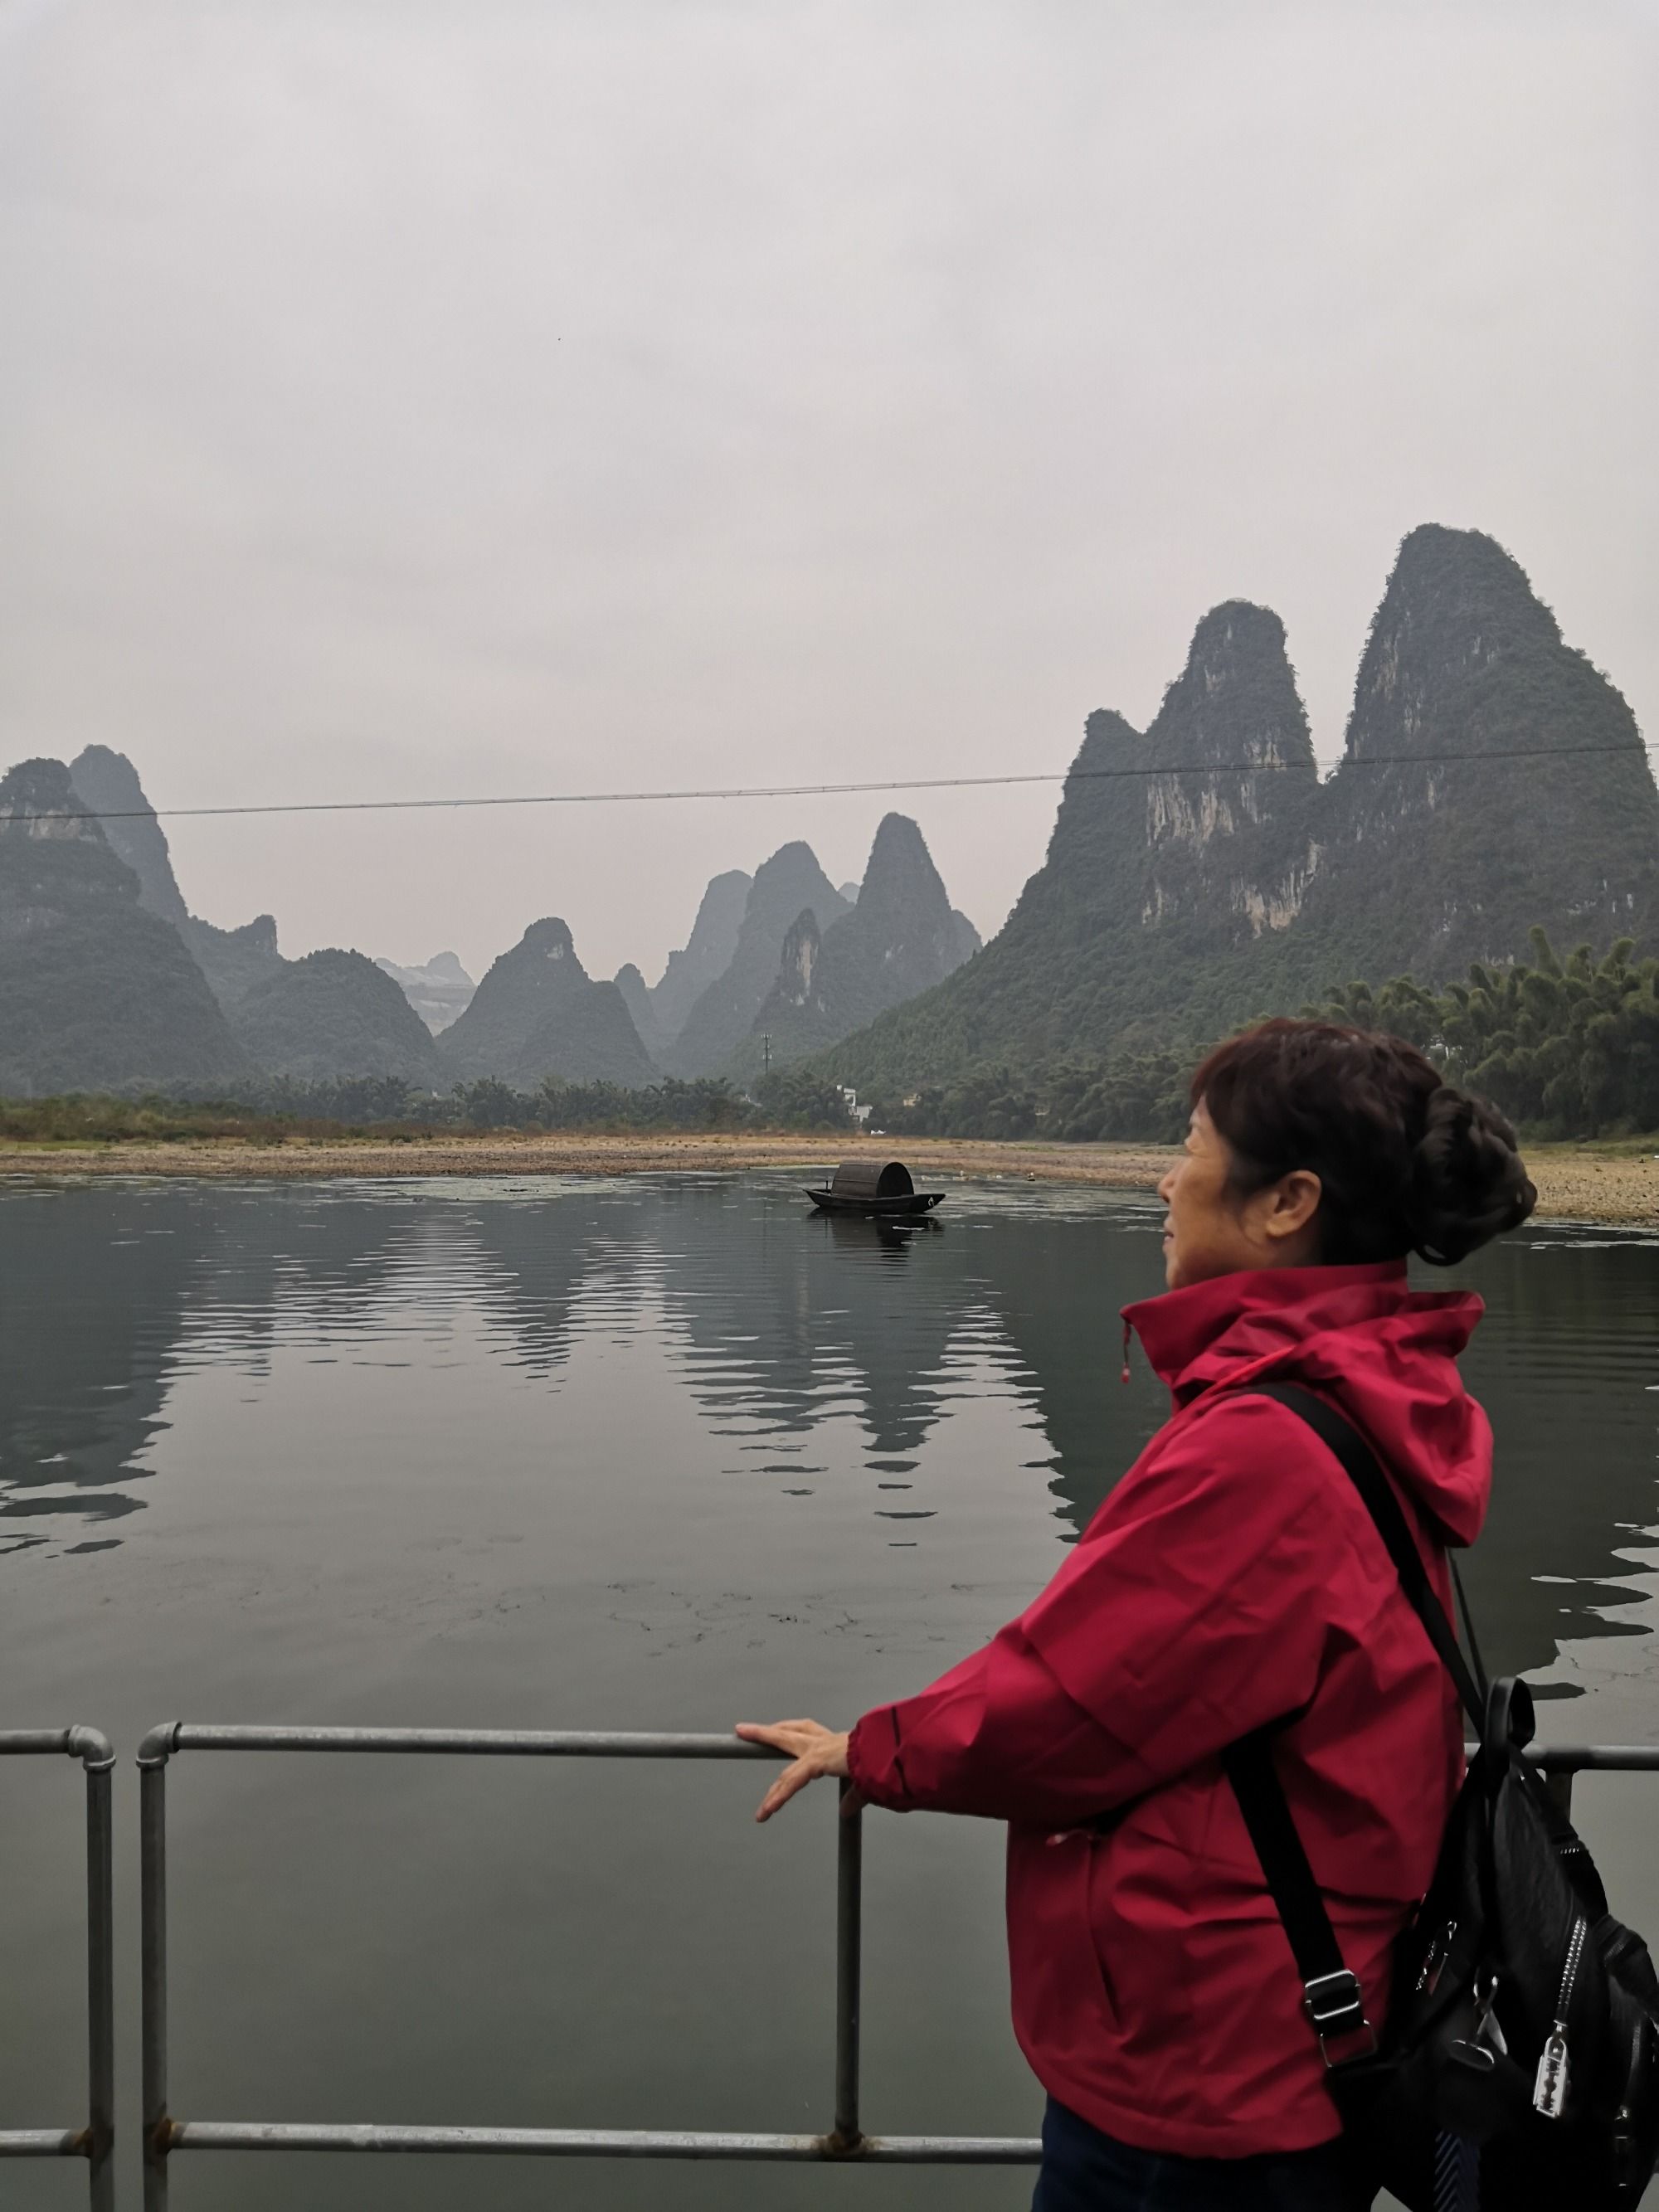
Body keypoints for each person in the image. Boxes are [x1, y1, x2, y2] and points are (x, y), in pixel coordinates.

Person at [737, 1018, 1537, 2212]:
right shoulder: (1370, 1394)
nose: (1167, 1177)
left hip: (1209, 2076)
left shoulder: (1264, 1448)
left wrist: (876, 1748)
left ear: (1289, 1203)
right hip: (1305, 2028)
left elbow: (1070, 1703)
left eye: (1192, 1143)